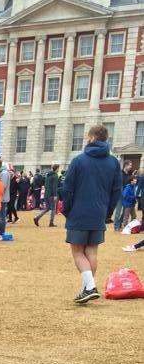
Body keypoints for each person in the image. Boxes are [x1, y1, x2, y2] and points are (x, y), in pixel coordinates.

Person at [61, 125, 121, 304]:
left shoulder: (79, 160)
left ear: (92, 137)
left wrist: (67, 210)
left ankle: (89, 287)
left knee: (78, 252)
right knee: (92, 251)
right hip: (99, 212)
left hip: (79, 212)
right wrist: (108, 211)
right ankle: (86, 288)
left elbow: (67, 189)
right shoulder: (113, 162)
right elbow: (116, 190)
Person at [112, 160, 135, 230]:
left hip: (126, 196)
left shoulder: (129, 174)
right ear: (126, 165)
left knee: (125, 212)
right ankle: (116, 226)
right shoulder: (120, 173)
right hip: (120, 195)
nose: (131, 167)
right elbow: (117, 184)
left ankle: (119, 224)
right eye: (130, 165)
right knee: (118, 211)